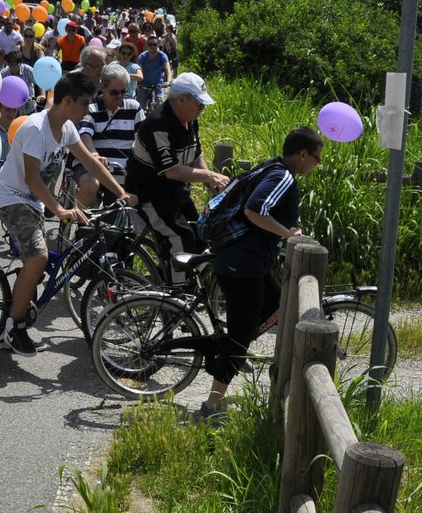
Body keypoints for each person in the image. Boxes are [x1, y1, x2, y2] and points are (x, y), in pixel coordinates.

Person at [0, 71, 136, 355]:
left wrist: (121, 192)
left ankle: (22, 300)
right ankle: (13, 329)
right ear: (67, 101)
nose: (87, 110)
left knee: (44, 262)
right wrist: (59, 209)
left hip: (32, 202)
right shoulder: (35, 128)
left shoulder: (66, 127)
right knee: (39, 256)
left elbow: (90, 164)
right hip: (10, 198)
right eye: (83, 103)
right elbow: (33, 178)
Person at [195, 127, 324, 421]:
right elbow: (255, 210)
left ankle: (235, 354)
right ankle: (211, 407)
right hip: (243, 267)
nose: (316, 165)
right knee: (240, 339)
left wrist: (283, 233)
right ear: (303, 155)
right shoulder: (283, 176)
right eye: (317, 159)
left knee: (280, 304)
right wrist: (288, 235)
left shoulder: (271, 166)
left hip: (248, 264)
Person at [127, 71, 228, 275]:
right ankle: (176, 298)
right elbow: (171, 171)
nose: (202, 109)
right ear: (181, 99)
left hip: (174, 191)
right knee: (181, 237)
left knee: (200, 234)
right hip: (148, 193)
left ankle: (178, 279)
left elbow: (195, 155)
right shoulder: (158, 123)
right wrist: (209, 176)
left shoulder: (189, 119)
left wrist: (212, 183)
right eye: (199, 104)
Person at [73, 61, 144, 210]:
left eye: (123, 92)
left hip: (122, 171)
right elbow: (85, 133)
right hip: (91, 165)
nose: (119, 96)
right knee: (90, 185)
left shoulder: (134, 108)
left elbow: (143, 141)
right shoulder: (91, 109)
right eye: (114, 92)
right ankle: (78, 224)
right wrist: (94, 154)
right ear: (102, 88)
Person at [135, 37, 172, 109]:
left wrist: (168, 81)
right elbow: (138, 69)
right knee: (140, 106)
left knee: (160, 103)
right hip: (144, 84)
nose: (152, 46)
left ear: (158, 45)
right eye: (150, 44)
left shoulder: (162, 56)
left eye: (154, 44)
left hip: (158, 84)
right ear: (147, 45)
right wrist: (138, 81)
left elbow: (168, 69)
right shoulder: (142, 56)